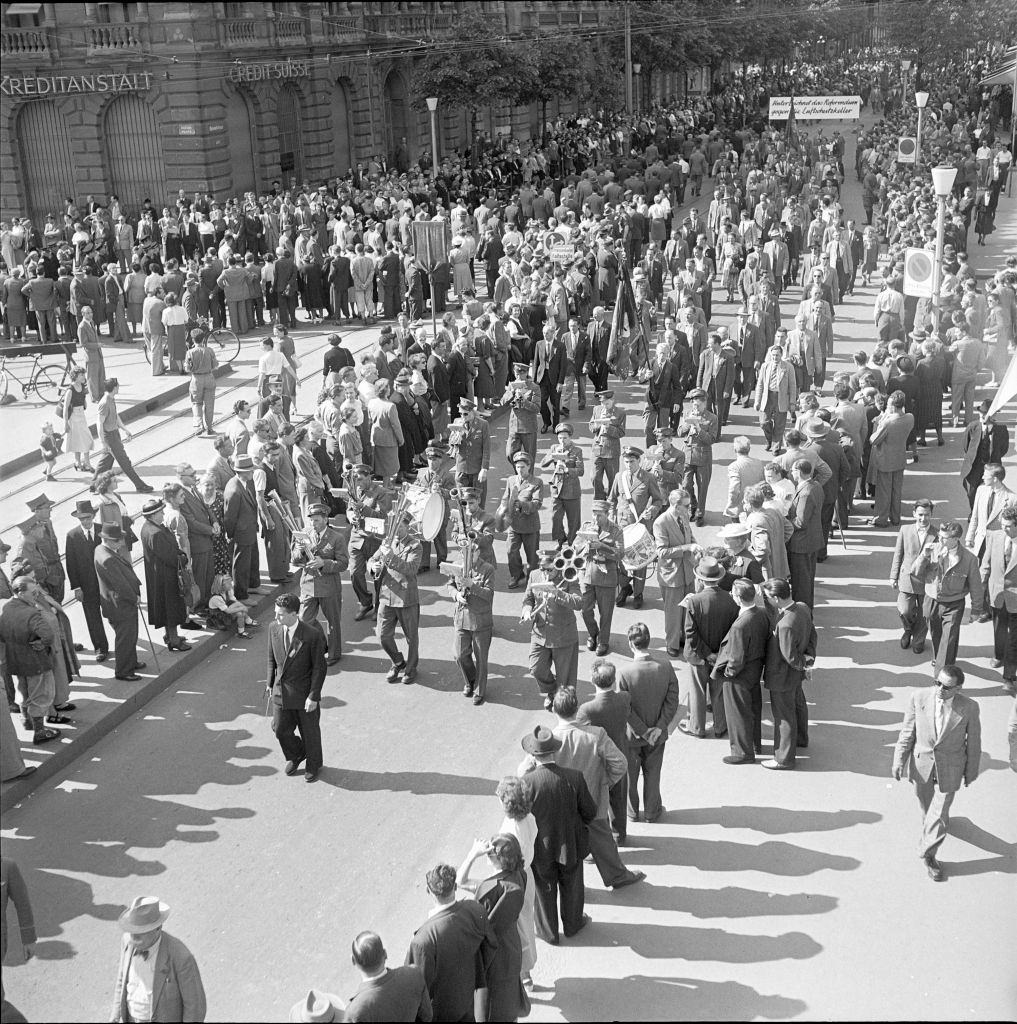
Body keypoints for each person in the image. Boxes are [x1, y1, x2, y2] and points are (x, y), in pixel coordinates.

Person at [542, 685, 644, 890]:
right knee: (603, 839)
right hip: (594, 799)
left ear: (554, 710)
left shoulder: (549, 740)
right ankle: (617, 876)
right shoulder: (596, 735)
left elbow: (525, 771)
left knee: (567, 849)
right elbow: (620, 764)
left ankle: (573, 890)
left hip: (562, 806)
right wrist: (604, 782)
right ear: (577, 708)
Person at [892, 666, 982, 882]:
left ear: (958, 688)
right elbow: (907, 732)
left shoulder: (969, 707)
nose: (940, 689)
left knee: (940, 811)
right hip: (922, 763)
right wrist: (899, 760)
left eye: (947, 686)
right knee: (926, 806)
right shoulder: (918, 697)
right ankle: (932, 825)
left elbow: (974, 741)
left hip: (951, 766)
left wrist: (971, 771)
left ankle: (929, 854)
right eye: (938, 683)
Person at [517, 725, 597, 943]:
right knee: (572, 887)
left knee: (544, 890)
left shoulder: (526, 783)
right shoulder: (575, 777)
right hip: (570, 844)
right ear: (554, 751)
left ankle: (548, 932)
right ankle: (573, 924)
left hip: (540, 849)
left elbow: (521, 818)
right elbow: (590, 812)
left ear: (533, 755)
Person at [404, 864, 498, 1023]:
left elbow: (415, 990)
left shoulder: (423, 940)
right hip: (468, 1004)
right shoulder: (475, 910)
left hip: (440, 1014)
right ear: (455, 887)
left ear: (428, 891)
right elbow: (490, 948)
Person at [456, 834, 530, 1023]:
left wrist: (473, 855)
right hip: (511, 947)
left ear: (498, 859)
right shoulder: (519, 875)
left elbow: (460, 881)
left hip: (491, 956)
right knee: (509, 999)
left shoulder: (489, 888)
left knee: (490, 1007)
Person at [616, 622, 681, 820]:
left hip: (632, 736)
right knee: (653, 774)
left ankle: (632, 812)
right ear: (649, 641)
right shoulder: (666, 666)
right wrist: (659, 727)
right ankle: (652, 812)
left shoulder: (624, 673)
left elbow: (624, 709)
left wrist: (642, 730)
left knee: (631, 776)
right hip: (657, 735)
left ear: (631, 644)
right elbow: (672, 700)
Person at [108, 896, 207, 1022]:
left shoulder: (181, 957)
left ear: (158, 928)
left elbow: (195, 1007)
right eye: (132, 931)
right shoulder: (127, 941)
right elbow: (122, 980)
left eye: (140, 932)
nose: (134, 938)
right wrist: (115, 1015)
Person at [266, 592, 327, 783]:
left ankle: (313, 764)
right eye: (276, 613)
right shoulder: (273, 628)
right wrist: (269, 683)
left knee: (309, 732)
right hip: (280, 691)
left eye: (281, 614)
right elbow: (271, 658)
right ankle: (297, 753)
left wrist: (314, 696)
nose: (276, 617)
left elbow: (319, 668)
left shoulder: (311, 635)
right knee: (279, 729)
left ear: (294, 614)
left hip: (303, 693)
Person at [912, 520, 983, 670]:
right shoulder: (931, 550)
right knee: (936, 634)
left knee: (949, 637)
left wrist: (976, 610)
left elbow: (976, 586)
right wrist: (924, 556)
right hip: (932, 600)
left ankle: (941, 675)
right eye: (940, 536)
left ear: (956, 539)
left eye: (944, 538)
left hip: (954, 604)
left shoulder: (970, 559)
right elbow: (916, 572)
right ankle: (940, 658)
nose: (939, 540)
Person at [760, 577, 816, 770]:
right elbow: (813, 634)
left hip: (781, 676)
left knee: (783, 716)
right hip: (795, 675)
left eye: (768, 597)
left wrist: (802, 664)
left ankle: (783, 759)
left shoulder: (785, 624)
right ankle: (800, 738)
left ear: (776, 598)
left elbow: (790, 656)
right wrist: (808, 662)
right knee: (798, 706)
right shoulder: (803, 608)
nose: (767, 600)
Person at [712, 579, 770, 765]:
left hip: (739, 675)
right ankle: (754, 744)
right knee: (753, 709)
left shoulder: (740, 625)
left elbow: (736, 658)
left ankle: (741, 752)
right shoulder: (761, 613)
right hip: (754, 668)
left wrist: (728, 674)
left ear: (738, 597)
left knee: (737, 714)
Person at [681, 556, 738, 738]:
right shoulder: (730, 600)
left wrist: (706, 654)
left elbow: (690, 633)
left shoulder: (694, 601)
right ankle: (720, 727)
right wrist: (717, 654)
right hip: (721, 656)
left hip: (698, 656)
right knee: (718, 692)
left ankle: (697, 727)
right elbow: (733, 631)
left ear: (700, 579)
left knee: (697, 691)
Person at [0, 574, 59, 745]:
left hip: (15, 660)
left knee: (22, 689)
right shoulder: (31, 613)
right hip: (35, 661)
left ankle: (26, 721)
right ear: (20, 593)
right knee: (41, 694)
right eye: (33, 593)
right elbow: (48, 635)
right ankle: (39, 731)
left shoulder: (5, 608)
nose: (36, 595)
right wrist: (41, 643)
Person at [523, 550, 582, 710]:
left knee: (565, 677)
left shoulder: (568, 576)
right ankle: (552, 690)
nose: (545, 573)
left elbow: (578, 602)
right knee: (536, 668)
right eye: (542, 568)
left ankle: (565, 706)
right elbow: (528, 598)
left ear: (557, 566)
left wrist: (557, 593)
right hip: (540, 633)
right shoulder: (534, 575)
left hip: (563, 635)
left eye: (549, 569)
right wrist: (527, 610)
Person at [291, 503, 346, 666]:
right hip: (308, 584)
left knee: (333, 623)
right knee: (304, 620)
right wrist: (300, 550)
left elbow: (343, 564)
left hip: (329, 587)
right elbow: (294, 560)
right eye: (311, 520)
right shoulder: (304, 534)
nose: (312, 524)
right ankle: (322, 644)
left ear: (325, 520)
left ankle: (334, 654)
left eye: (316, 520)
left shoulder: (337, 538)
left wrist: (324, 563)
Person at [610, 446, 665, 609]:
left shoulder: (648, 478)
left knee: (640, 560)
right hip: (622, 526)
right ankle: (625, 587)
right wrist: (611, 516)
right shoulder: (619, 477)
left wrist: (652, 511)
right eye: (626, 462)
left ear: (639, 461)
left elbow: (658, 500)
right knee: (621, 559)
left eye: (632, 462)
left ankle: (638, 593)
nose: (628, 465)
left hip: (640, 525)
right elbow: (612, 499)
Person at [371, 510, 422, 685]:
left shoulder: (415, 545)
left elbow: (411, 569)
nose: (396, 530)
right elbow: (372, 559)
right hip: (387, 595)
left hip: (406, 597)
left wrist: (390, 556)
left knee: (411, 637)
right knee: (382, 635)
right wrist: (374, 566)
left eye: (400, 526)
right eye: (393, 526)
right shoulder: (387, 542)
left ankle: (411, 668)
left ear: (407, 527)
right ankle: (398, 661)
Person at [138, 499, 193, 653]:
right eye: (160, 512)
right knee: (171, 608)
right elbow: (170, 556)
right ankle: (174, 640)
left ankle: (169, 636)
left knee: (166, 608)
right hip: (166, 577)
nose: (163, 514)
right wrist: (183, 558)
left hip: (159, 576)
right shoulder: (155, 533)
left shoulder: (149, 528)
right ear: (153, 515)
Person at [93, 523, 144, 681]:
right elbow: (121, 585)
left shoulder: (100, 549)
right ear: (108, 540)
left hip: (115, 603)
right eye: (117, 540)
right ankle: (123, 671)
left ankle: (131, 662)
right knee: (125, 638)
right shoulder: (108, 559)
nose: (121, 542)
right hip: (120, 605)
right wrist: (134, 597)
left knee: (130, 635)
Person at [344, 931, 432, 1023]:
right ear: (385, 954)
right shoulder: (413, 974)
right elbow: (427, 1016)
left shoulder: (355, 1012)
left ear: (353, 960)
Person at [449, 535, 495, 706]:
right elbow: (450, 584)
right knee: (459, 654)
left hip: (480, 620)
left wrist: (472, 586)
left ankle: (479, 690)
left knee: (481, 658)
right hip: (461, 617)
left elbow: (489, 594)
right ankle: (470, 680)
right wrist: (456, 595)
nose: (467, 555)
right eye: (464, 552)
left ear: (478, 552)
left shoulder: (487, 569)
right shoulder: (457, 565)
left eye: (471, 552)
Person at [889, 499, 938, 655]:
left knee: (925, 613)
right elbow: (898, 554)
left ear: (931, 514)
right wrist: (893, 576)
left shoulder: (937, 534)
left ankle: (918, 639)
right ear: (914, 514)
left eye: (927, 515)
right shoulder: (905, 530)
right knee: (905, 610)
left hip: (927, 580)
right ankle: (908, 629)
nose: (923, 518)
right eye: (920, 515)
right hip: (907, 578)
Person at [979, 504, 1017, 692]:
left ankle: (1009, 677)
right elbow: (985, 564)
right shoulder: (994, 536)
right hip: (997, 593)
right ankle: (998, 655)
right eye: (1002, 524)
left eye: (1008, 526)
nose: (1004, 528)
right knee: (999, 629)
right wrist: (979, 589)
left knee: (1014, 640)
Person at [65, 499, 108, 661]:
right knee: (92, 617)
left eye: (88, 517)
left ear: (93, 516)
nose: (85, 521)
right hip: (86, 585)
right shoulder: (72, 536)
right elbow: (71, 564)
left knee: (114, 614)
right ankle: (100, 648)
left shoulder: (102, 530)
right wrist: (77, 587)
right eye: (82, 519)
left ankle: (123, 643)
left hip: (105, 583)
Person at [93, 379, 154, 493]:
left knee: (105, 462)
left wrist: (124, 429)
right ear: (114, 388)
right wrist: (103, 443)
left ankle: (94, 485)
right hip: (110, 437)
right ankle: (140, 485)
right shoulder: (104, 403)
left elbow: (115, 416)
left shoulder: (111, 399)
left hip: (114, 434)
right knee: (125, 462)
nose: (119, 387)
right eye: (118, 386)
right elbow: (99, 423)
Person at [867, 390, 913, 528]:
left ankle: (881, 519)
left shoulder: (888, 422)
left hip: (885, 460)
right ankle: (895, 517)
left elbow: (873, 440)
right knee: (896, 490)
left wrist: (881, 421)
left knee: (884, 491)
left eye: (888, 405)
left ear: (893, 406)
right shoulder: (910, 417)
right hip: (899, 458)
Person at [498, 451, 544, 588]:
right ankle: (516, 575)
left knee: (532, 556)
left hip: (530, 526)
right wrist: (501, 513)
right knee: (511, 551)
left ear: (529, 466)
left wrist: (522, 505)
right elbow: (505, 498)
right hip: (514, 525)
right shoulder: (511, 480)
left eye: (523, 467)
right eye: (517, 467)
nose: (520, 470)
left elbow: (537, 503)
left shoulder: (536, 482)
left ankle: (532, 579)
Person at [676, 387, 718, 526]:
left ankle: (700, 513)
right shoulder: (687, 414)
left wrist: (699, 430)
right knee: (686, 484)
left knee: (702, 486)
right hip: (688, 455)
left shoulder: (712, 418)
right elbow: (680, 432)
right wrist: (689, 424)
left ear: (705, 403)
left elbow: (711, 439)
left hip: (703, 456)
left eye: (698, 405)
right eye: (694, 404)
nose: (696, 407)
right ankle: (692, 505)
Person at [786, 459, 824, 610]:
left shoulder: (805, 492)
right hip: (812, 540)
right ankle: (807, 611)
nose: (791, 473)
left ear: (799, 472)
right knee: (807, 580)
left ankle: (803, 613)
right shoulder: (816, 485)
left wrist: (783, 523)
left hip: (802, 543)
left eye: (793, 470)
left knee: (801, 583)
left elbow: (800, 522)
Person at [223, 454, 262, 601]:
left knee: (253, 560)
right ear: (242, 472)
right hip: (241, 533)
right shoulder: (234, 490)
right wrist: (232, 535)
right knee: (241, 565)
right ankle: (241, 595)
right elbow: (229, 517)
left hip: (249, 530)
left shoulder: (243, 483)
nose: (253, 472)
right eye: (251, 470)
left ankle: (253, 585)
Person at [183, 329, 219, 437]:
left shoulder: (190, 352)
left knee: (196, 403)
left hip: (196, 380)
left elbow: (187, 369)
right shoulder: (209, 350)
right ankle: (209, 428)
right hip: (209, 378)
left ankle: (199, 425)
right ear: (203, 339)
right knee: (209, 404)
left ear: (193, 339)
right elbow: (215, 366)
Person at [62, 365, 94, 473]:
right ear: (75, 376)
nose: (84, 376)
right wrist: (65, 424)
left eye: (83, 374)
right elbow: (65, 408)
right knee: (83, 439)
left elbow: (83, 399)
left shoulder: (82, 386)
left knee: (82, 439)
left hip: (81, 416)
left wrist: (84, 402)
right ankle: (85, 463)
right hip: (74, 417)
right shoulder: (70, 390)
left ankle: (79, 463)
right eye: (81, 375)